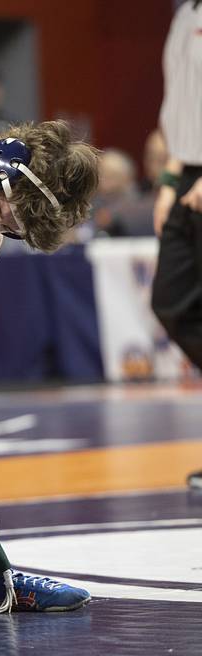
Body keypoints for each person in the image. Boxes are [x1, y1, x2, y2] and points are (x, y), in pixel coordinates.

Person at [150, 0, 202, 489]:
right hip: (186, 171)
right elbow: (181, 107)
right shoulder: (183, 12)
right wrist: (169, 178)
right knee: (171, 302)